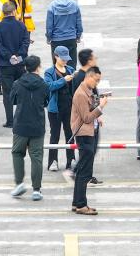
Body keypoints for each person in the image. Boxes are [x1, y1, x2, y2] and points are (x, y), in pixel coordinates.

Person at [10, 55, 49, 202]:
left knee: (17, 153)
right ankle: (36, 190)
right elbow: (46, 101)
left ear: (25, 67)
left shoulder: (17, 83)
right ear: (38, 67)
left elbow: (13, 100)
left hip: (20, 124)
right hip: (37, 125)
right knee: (36, 157)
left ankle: (19, 183)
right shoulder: (43, 84)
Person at [71, 66, 108, 215]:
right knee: (84, 172)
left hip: (88, 133)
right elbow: (86, 118)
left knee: (82, 170)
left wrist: (97, 112)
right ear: (89, 76)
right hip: (84, 134)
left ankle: (77, 202)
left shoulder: (87, 91)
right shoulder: (81, 94)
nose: (97, 84)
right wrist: (100, 107)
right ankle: (81, 204)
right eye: (96, 80)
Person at [70, 49, 104, 188]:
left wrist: (98, 114)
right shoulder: (81, 77)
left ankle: (86, 175)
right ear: (89, 60)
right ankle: (78, 173)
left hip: (92, 118)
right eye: (94, 57)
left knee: (92, 149)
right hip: (85, 121)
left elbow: (93, 96)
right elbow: (83, 101)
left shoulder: (89, 75)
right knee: (88, 150)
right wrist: (98, 109)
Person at [0, 0, 29, 128]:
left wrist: (9, 56)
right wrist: (17, 56)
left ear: (3, 12)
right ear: (14, 11)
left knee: (7, 93)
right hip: (19, 64)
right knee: (22, 92)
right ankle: (22, 119)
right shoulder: (21, 26)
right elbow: (25, 42)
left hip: (5, 65)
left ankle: (10, 121)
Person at [45, 46, 76, 176]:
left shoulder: (71, 70)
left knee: (70, 134)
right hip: (55, 109)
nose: (65, 61)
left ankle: (71, 160)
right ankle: (53, 161)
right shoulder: (49, 72)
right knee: (55, 135)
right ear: (56, 56)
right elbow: (49, 86)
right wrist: (64, 80)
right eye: (62, 59)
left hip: (69, 107)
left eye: (66, 59)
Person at [45, 0, 82, 65]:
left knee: (58, 66)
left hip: (57, 40)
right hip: (71, 38)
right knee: (71, 65)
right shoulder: (74, 5)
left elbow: (49, 25)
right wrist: (78, 36)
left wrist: (49, 37)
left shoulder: (52, 6)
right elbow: (78, 22)